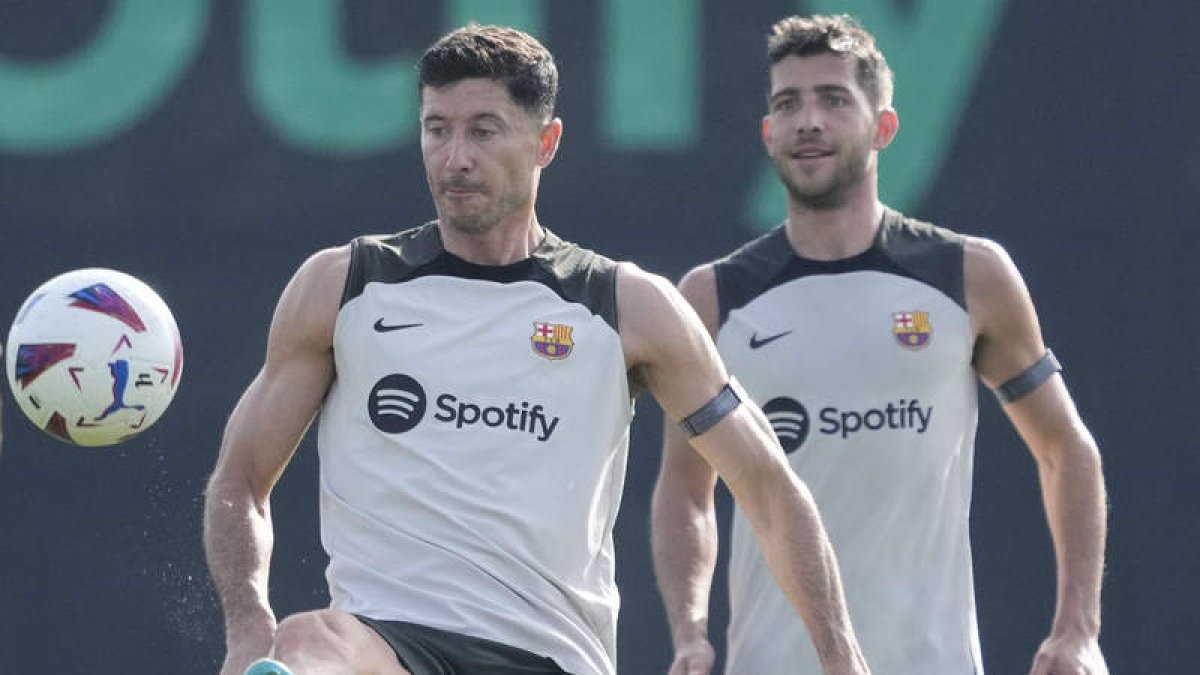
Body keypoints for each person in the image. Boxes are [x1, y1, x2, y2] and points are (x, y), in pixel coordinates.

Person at [203, 24, 871, 675]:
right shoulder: (345, 284)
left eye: (483, 131)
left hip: (551, 653)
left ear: (545, 141)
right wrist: (247, 620)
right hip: (386, 642)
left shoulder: (623, 305)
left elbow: (766, 485)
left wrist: (842, 655)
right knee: (307, 640)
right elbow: (241, 479)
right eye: (437, 129)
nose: (455, 157)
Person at [651, 14, 1109, 675]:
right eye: (788, 104)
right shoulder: (712, 297)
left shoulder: (968, 275)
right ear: (768, 134)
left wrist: (1079, 629)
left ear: (884, 127)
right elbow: (684, 489)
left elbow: (1065, 447)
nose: (808, 120)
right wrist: (690, 631)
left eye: (834, 99)